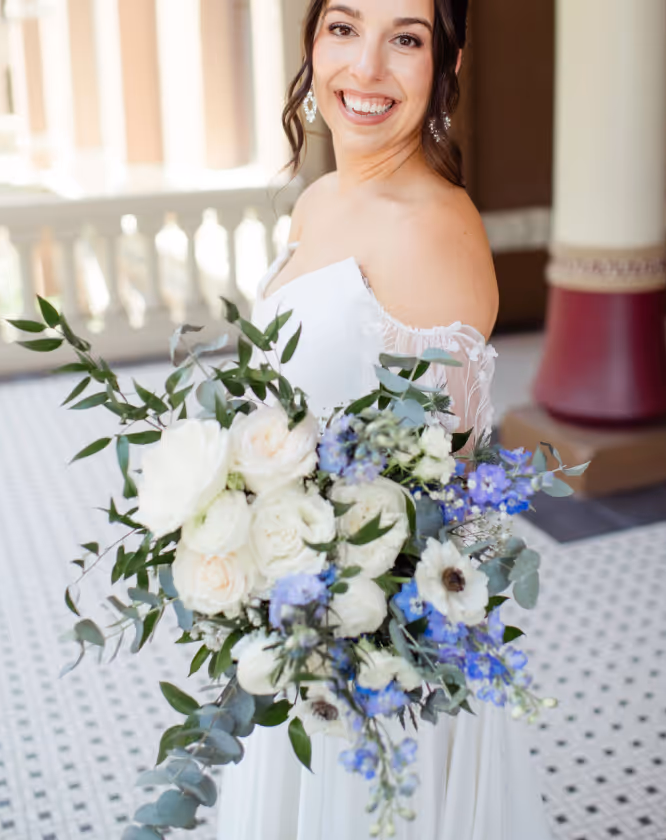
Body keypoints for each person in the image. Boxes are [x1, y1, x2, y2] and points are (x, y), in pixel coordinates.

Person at [218, 1, 552, 837]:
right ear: (312, 40)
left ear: (448, 62)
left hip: (368, 658)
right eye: (343, 27)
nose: (364, 70)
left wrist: (332, 621)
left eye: (405, 39)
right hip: (297, 616)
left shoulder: (434, 234)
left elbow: (446, 507)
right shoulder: (320, 200)